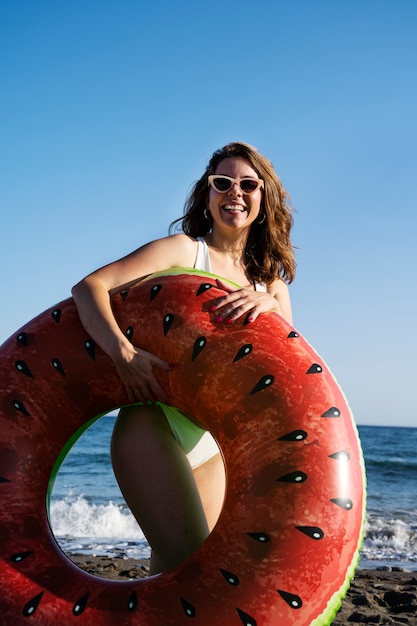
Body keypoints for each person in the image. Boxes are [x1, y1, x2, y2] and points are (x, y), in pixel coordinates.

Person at [72, 141, 296, 575]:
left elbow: (283, 379)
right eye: (222, 182)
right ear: (207, 194)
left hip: (213, 446)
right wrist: (125, 353)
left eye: (248, 184)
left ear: (263, 199)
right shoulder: (182, 251)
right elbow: (89, 288)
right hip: (154, 425)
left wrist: (271, 307)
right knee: (195, 572)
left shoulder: (274, 287)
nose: (235, 192)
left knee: (171, 586)